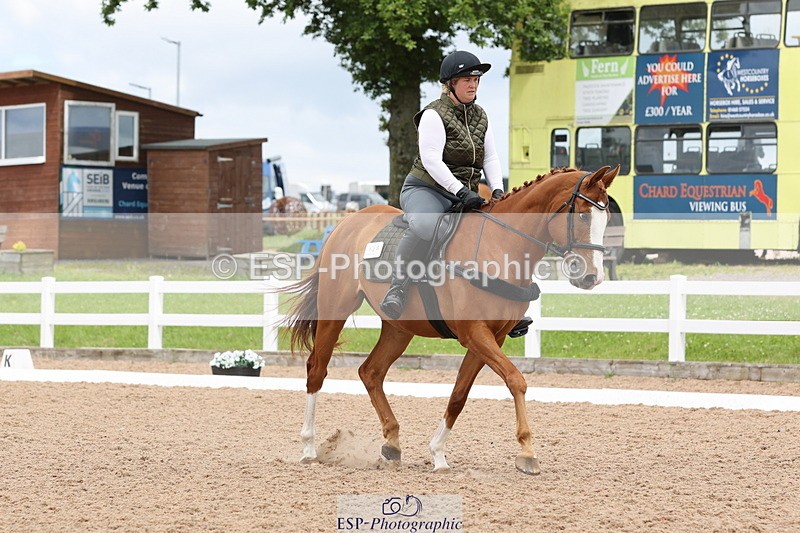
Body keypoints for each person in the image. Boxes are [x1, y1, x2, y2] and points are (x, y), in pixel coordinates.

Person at [380, 50, 505, 319]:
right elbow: (432, 161)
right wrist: (460, 190)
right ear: (450, 84)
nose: (473, 84)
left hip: (463, 194)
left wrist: (497, 190)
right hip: (427, 188)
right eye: (466, 79)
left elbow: (490, 157)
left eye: (476, 79)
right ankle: (397, 287)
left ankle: (503, 303)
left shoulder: (481, 116)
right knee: (427, 225)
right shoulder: (433, 114)